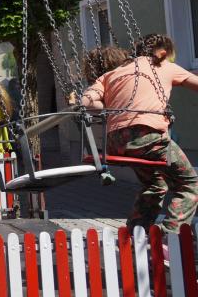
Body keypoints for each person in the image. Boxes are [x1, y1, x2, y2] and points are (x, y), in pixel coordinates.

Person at [81, 34, 198, 233]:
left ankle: (136, 234)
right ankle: (173, 234)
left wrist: (112, 103)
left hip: (116, 143)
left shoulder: (110, 74)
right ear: (162, 52)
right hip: (149, 138)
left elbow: (86, 102)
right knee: (188, 183)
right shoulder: (163, 66)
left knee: (155, 184)